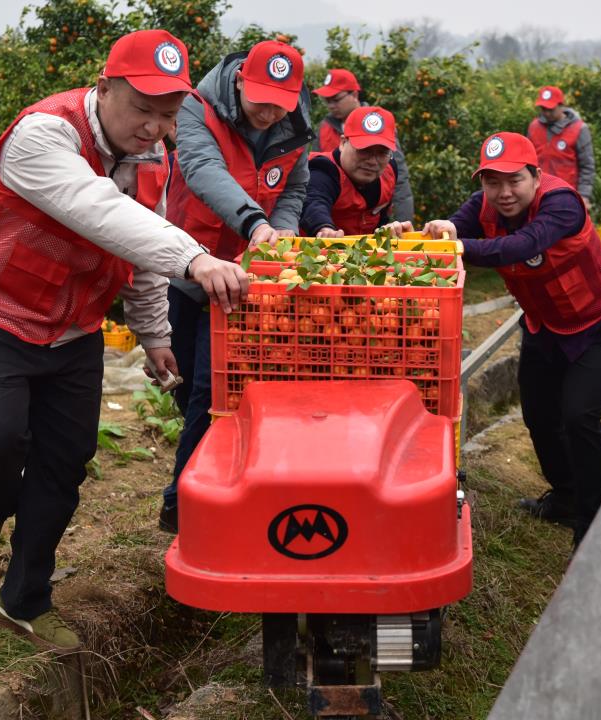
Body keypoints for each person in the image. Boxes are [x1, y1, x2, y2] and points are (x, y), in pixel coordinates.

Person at [0, 29, 248, 652]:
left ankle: (23, 600)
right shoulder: (43, 135)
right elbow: (99, 210)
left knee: (65, 460)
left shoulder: (154, 159)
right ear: (103, 88)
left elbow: (139, 249)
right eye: (142, 109)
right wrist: (194, 258)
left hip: (74, 327)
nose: (154, 129)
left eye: (168, 115)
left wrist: (154, 333)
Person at [422, 132, 601, 549]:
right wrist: (440, 230)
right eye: (492, 182)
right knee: (539, 415)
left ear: (535, 175)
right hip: (543, 324)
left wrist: (459, 245)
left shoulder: (562, 204)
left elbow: (522, 245)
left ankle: (593, 526)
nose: (504, 192)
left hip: (596, 323)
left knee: (579, 417)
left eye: (514, 180)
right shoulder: (484, 205)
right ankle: (566, 497)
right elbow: (456, 228)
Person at [161, 40, 311, 533]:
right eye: (261, 100)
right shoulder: (196, 108)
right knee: (187, 383)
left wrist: (282, 226)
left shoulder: (295, 126)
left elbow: (294, 187)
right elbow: (203, 170)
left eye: (280, 104)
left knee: (214, 388)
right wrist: (255, 222)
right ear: (241, 79)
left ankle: (185, 505)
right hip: (188, 266)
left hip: (245, 279)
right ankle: (205, 470)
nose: (269, 113)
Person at [311, 68, 414, 222]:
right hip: (331, 217)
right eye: (327, 101)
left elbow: (399, 178)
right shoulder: (325, 127)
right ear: (343, 142)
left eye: (336, 99)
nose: (331, 106)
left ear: (354, 95)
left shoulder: (380, 125)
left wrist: (403, 221)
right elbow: (315, 175)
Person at [300, 106, 401, 237]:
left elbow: (382, 218)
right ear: (343, 143)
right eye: (364, 150)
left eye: (382, 153)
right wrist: (324, 229)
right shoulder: (323, 169)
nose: (372, 161)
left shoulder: (389, 171)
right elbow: (313, 201)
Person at [525, 85, 595, 211]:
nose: (547, 113)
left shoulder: (579, 129)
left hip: (566, 194)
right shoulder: (534, 127)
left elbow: (587, 166)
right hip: (538, 194)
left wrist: (584, 195)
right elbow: (527, 162)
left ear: (562, 105)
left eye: (551, 109)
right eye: (543, 109)